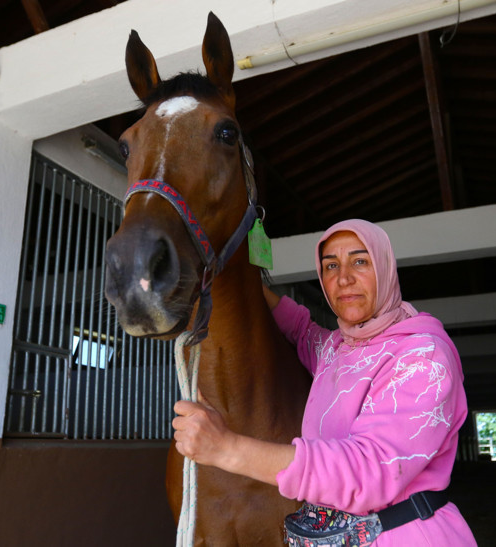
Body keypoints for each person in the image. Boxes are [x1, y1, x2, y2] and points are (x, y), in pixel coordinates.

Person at [173, 219, 476, 546]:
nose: (343, 278)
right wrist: (237, 278)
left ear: (386, 268)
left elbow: (367, 472)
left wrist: (226, 448)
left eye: (360, 261)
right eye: (331, 266)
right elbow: (300, 329)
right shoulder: (337, 350)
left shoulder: (423, 357)